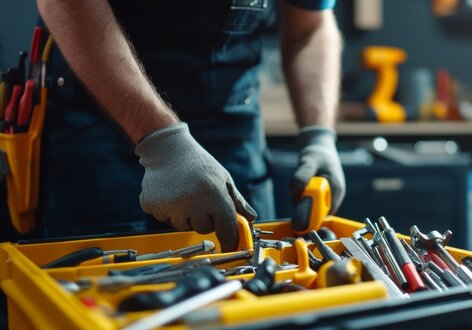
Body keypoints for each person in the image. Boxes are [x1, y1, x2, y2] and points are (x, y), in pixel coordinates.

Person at [35, 0, 346, 252]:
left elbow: (311, 27)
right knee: (105, 303)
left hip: (233, 128)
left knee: (252, 282)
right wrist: (161, 144)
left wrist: (319, 137)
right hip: (100, 127)